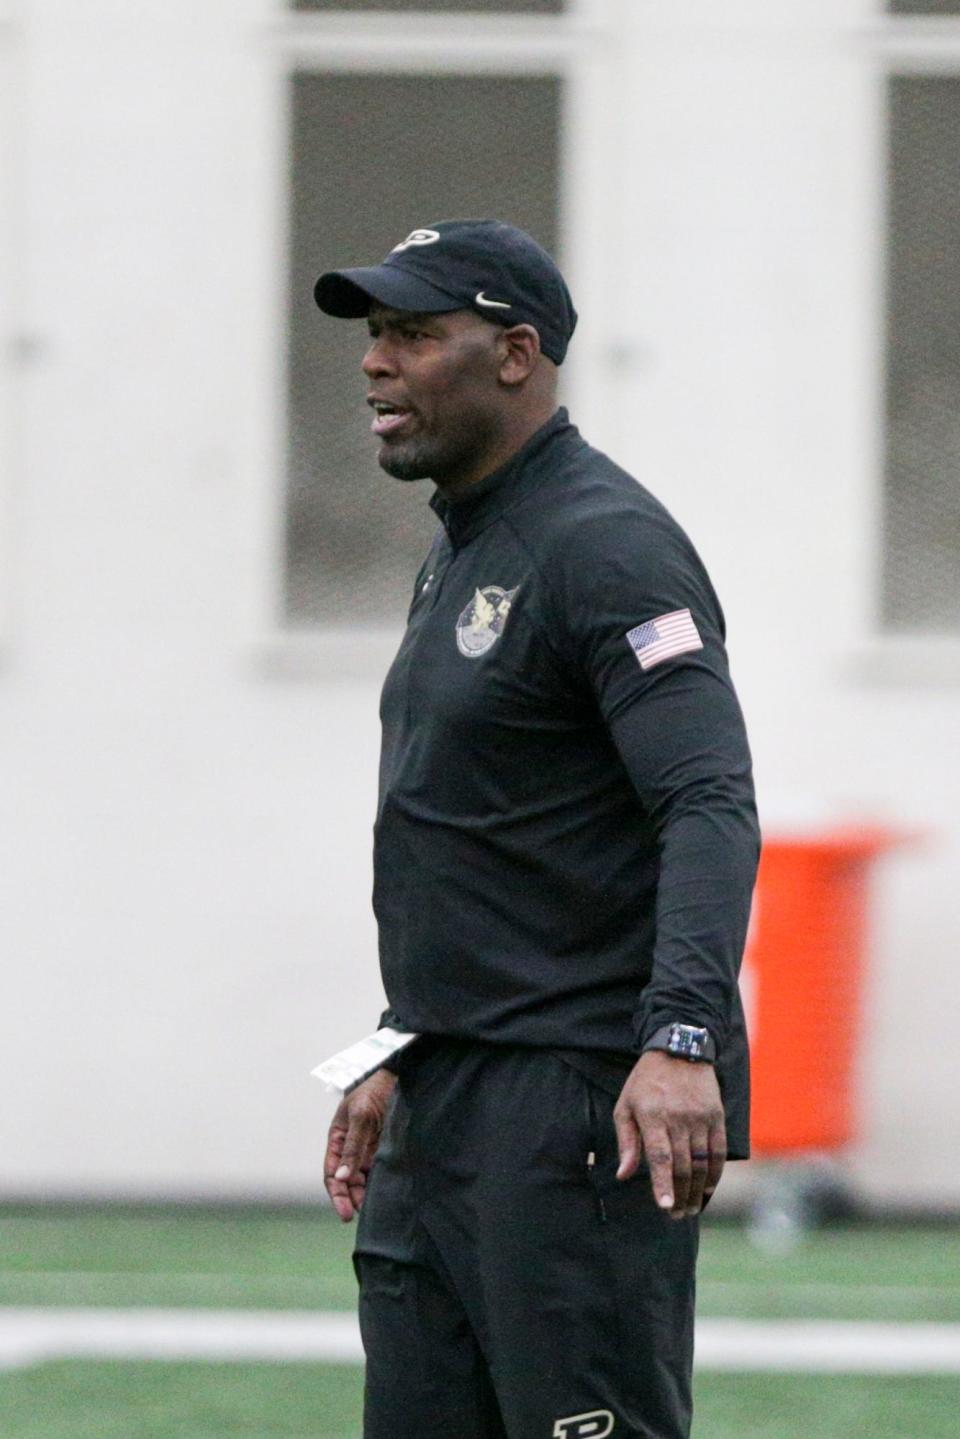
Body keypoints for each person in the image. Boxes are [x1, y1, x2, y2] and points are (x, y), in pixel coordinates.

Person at [315, 219, 760, 1439]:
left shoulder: (603, 545)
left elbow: (707, 801)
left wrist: (681, 1036)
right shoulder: (461, 548)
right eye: (371, 337)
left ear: (517, 354)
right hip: (448, 1095)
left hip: (574, 1107)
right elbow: (497, 842)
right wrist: (408, 1040)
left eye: (411, 333)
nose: (374, 363)